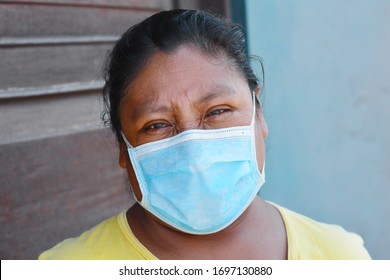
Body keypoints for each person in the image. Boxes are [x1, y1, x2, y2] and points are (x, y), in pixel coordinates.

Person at [39, 9, 371, 260]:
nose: (193, 152)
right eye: (156, 125)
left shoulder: (340, 255)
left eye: (217, 111)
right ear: (124, 150)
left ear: (259, 114)